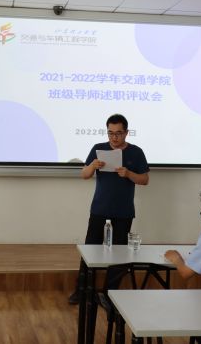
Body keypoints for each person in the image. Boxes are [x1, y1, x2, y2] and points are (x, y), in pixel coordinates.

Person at [68, 113, 149, 304]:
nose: (114, 137)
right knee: (90, 250)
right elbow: (84, 174)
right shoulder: (99, 149)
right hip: (99, 208)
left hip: (123, 211)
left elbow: (145, 179)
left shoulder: (136, 152)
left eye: (118, 133)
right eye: (110, 133)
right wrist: (93, 165)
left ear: (126, 133)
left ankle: (109, 293)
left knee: (119, 254)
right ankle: (82, 291)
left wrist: (128, 174)